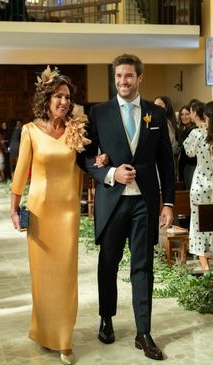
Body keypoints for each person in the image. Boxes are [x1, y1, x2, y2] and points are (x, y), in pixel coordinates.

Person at [85, 54, 175, 360]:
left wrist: (168, 202)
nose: (123, 81)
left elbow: (166, 161)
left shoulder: (156, 115)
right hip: (112, 202)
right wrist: (110, 173)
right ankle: (106, 318)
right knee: (108, 264)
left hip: (144, 204)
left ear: (139, 78)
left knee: (143, 268)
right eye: (118, 76)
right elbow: (83, 158)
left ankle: (143, 332)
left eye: (128, 76)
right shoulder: (99, 113)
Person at [10, 66, 92, 365]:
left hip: (68, 213)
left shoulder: (76, 128)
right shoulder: (30, 130)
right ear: (46, 98)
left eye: (67, 97)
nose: (64, 102)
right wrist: (14, 209)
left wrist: (101, 160)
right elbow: (21, 172)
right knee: (43, 279)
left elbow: (87, 162)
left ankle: (64, 339)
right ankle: (44, 331)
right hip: (40, 212)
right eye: (58, 96)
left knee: (66, 278)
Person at [183, 101, 213, 271]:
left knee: (199, 224)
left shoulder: (197, 133)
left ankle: (205, 268)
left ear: (206, 117)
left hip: (201, 184)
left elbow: (189, 151)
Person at [177, 105, 197, 188]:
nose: (184, 117)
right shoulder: (181, 129)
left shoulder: (193, 129)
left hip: (191, 165)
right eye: (182, 114)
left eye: (187, 114)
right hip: (183, 164)